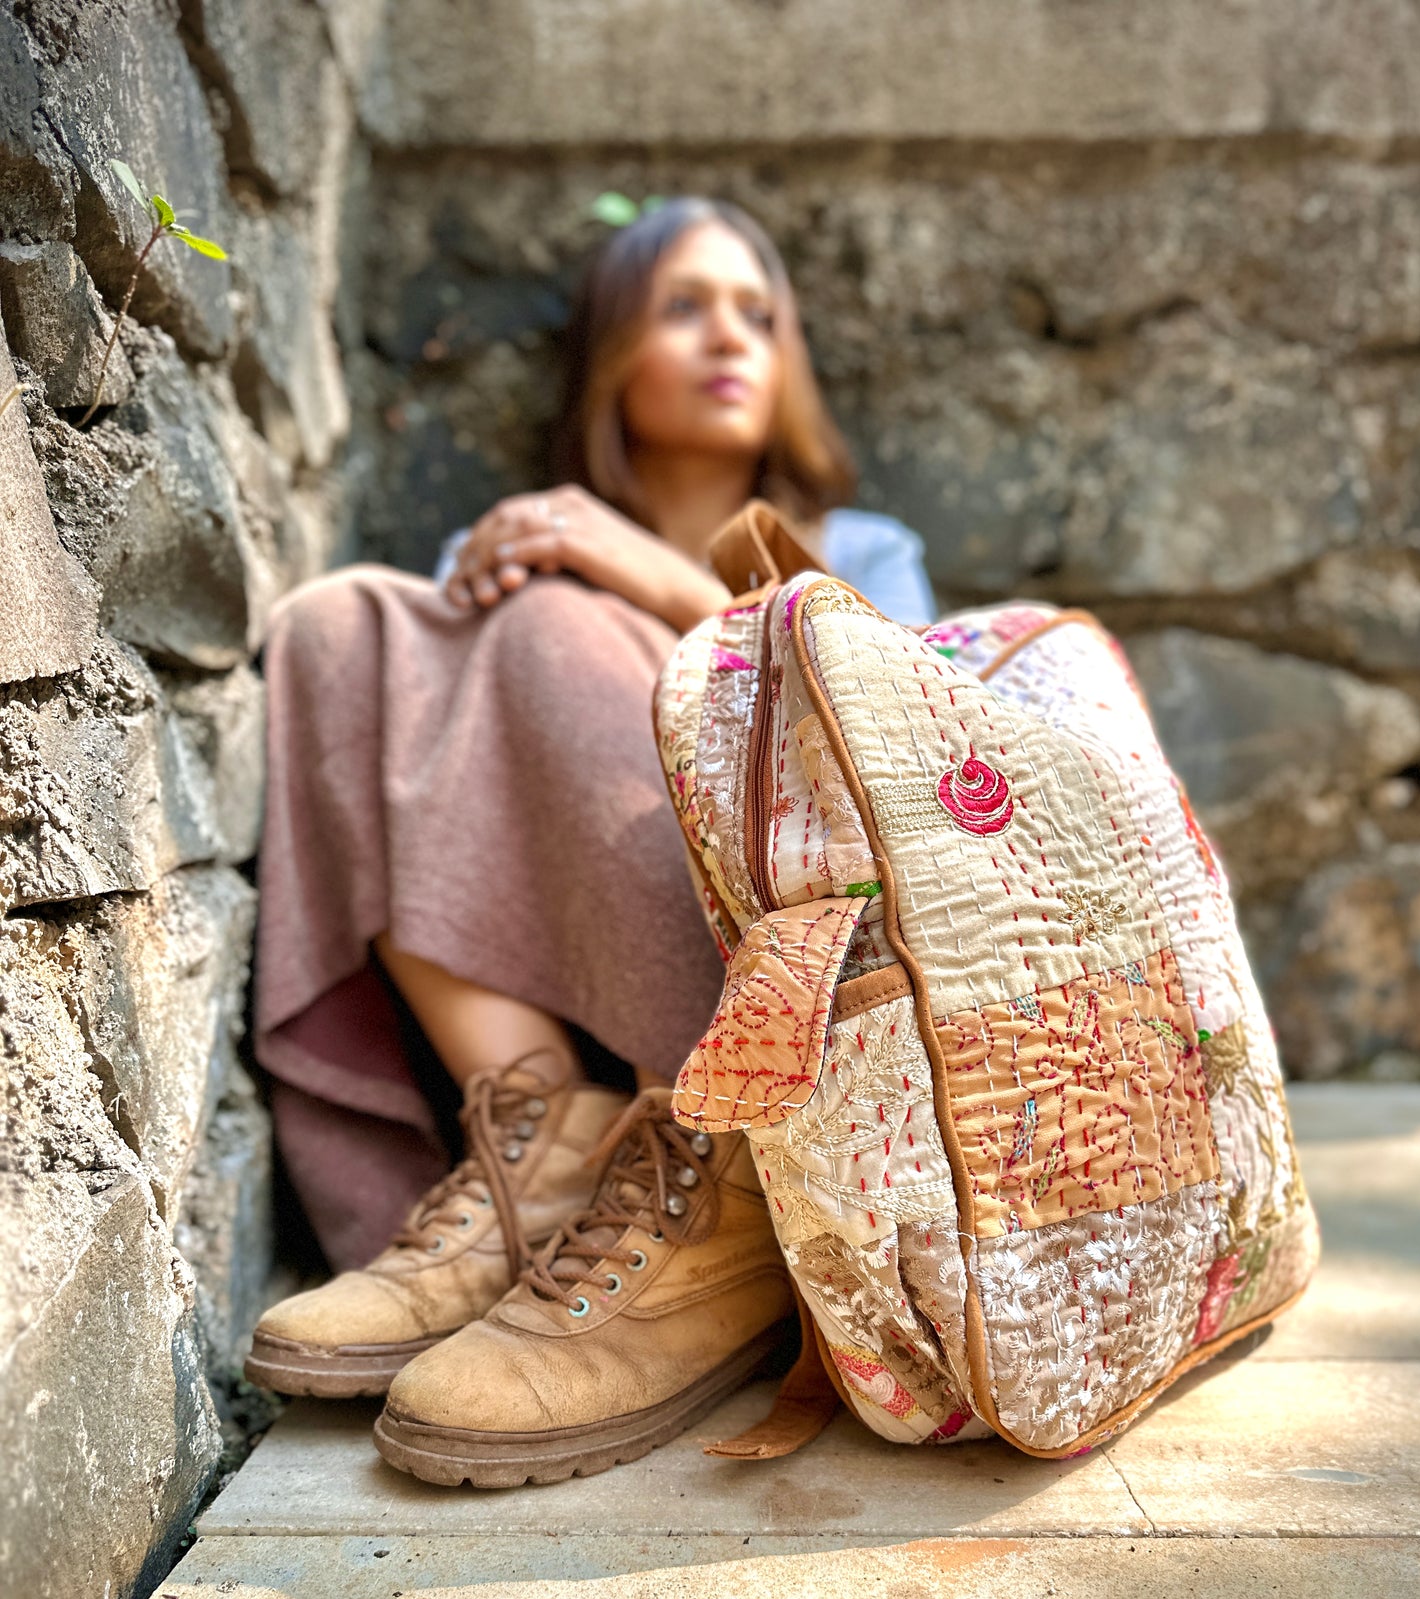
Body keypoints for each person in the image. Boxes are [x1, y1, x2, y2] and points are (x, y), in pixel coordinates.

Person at [246, 198, 936, 1483]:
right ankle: (542, 1142)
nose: (729, 337)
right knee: (340, 623)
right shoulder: (520, 544)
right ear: (610, 352)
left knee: (548, 625)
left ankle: (705, 1172)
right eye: (683, 306)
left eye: (757, 313)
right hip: (549, 965)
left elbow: (910, 745)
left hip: (777, 982)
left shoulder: (864, 553)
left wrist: (630, 571)